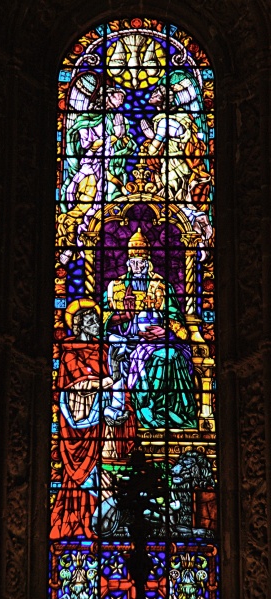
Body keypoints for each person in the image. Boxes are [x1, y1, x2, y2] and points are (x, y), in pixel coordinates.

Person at [50, 299, 135, 539]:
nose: (97, 324)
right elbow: (77, 386)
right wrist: (109, 380)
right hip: (80, 424)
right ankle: (95, 520)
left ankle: (110, 519)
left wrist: (118, 376)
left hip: (104, 421)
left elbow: (118, 378)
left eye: (97, 320)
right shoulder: (69, 351)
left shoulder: (106, 349)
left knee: (107, 466)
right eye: (90, 321)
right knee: (92, 471)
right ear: (79, 326)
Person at [104, 228, 198, 431]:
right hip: (128, 342)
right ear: (128, 262)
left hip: (161, 341)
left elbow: (176, 318)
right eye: (134, 262)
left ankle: (173, 415)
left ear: (147, 262)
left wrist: (166, 330)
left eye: (141, 262)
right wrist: (124, 317)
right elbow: (101, 319)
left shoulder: (162, 286)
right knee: (153, 359)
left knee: (171, 356)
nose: (137, 266)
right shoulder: (116, 287)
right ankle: (147, 413)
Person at [57, 86, 137, 263]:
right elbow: (87, 144)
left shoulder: (112, 119)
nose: (122, 102)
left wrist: (121, 139)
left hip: (102, 169)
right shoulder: (87, 119)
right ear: (108, 96)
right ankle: (69, 243)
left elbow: (118, 150)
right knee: (84, 207)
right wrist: (112, 138)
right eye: (119, 97)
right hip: (89, 168)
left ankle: (82, 247)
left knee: (95, 212)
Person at [140, 80, 212, 249]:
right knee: (178, 199)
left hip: (173, 166)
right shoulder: (178, 118)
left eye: (156, 93)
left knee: (173, 199)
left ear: (163, 99)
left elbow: (153, 150)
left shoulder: (165, 122)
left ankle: (195, 230)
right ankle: (197, 223)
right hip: (178, 164)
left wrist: (151, 138)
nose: (151, 95)